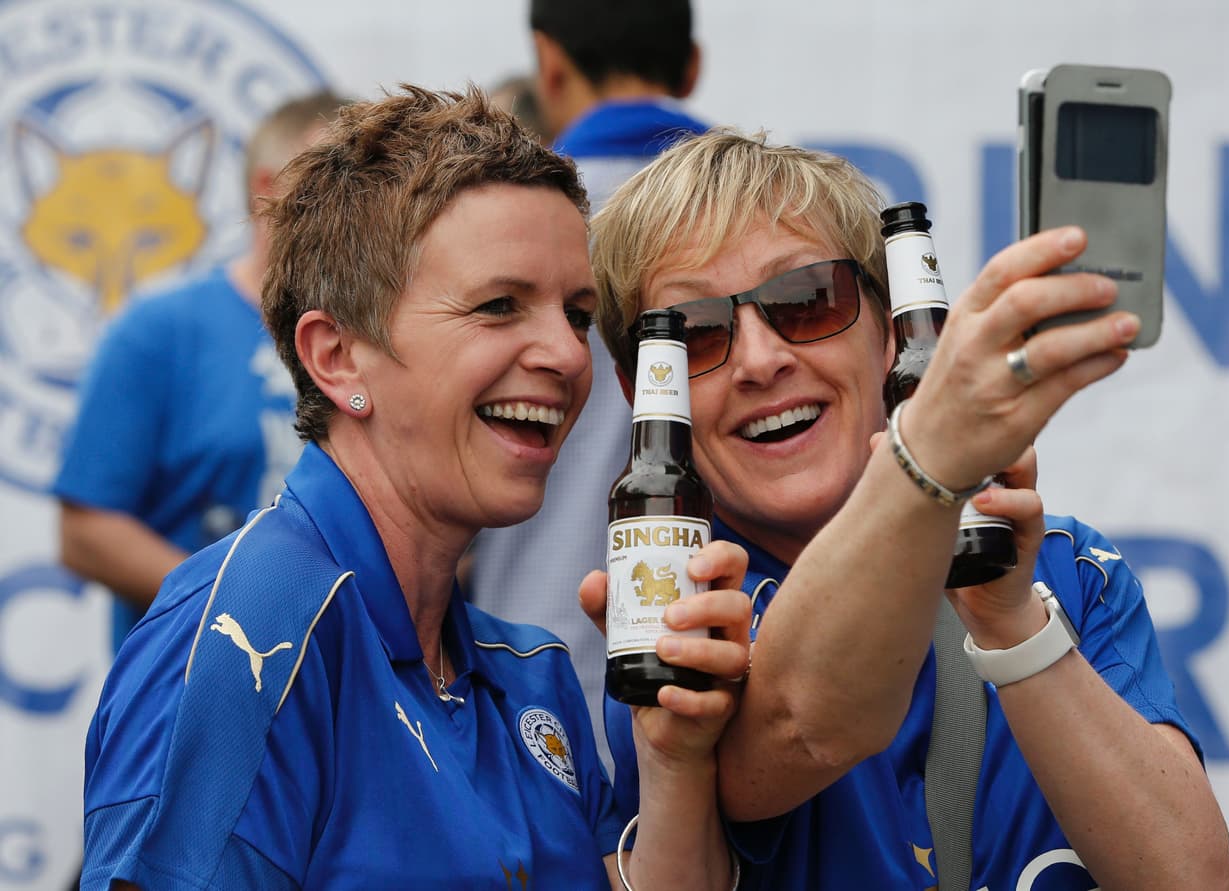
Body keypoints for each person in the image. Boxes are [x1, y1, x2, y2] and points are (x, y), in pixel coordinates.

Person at [79, 85, 750, 890]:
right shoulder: (244, 639)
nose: (570, 357)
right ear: (336, 357)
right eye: (499, 305)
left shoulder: (527, 672)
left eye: (577, 313)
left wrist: (674, 759)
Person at [585, 131, 1229, 889]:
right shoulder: (681, 612)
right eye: (693, 337)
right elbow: (803, 723)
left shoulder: (1069, 570)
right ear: (646, 395)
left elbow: (1190, 877)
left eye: (805, 300)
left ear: (890, 329)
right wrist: (928, 461)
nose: (761, 361)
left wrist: (1008, 618)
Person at [467, 0, 709, 771]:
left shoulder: (487, 226)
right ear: (692, 67)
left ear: (549, 63)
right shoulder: (759, 225)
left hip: (519, 684)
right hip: (707, 684)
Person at [52, 91, 346, 654]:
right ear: (267, 189)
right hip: (189, 691)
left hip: (349, 696)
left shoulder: (380, 341)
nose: (355, 207)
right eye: (331, 181)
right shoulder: (159, 331)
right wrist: (236, 603)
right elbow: (83, 531)